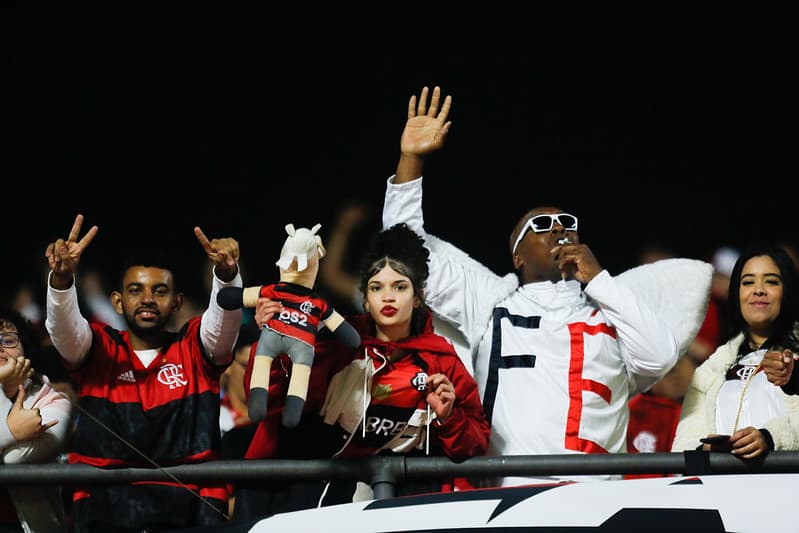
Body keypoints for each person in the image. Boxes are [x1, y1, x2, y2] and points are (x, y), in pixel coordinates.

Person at [379, 86, 714, 487]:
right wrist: (411, 159)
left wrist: (598, 280)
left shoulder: (608, 308)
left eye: (567, 223)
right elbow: (405, 250)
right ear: (518, 257)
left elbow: (659, 357)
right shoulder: (491, 301)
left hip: (594, 499)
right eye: (540, 225)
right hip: (508, 495)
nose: (558, 228)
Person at [233, 223, 490, 521]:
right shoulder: (336, 347)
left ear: (418, 297)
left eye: (400, 287)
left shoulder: (441, 359)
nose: (388, 297)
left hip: (405, 504)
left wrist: (449, 417)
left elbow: (475, 444)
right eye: (376, 287)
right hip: (319, 498)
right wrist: (275, 345)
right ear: (365, 299)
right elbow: (275, 403)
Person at [44, 214, 244, 532]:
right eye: (135, 290)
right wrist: (63, 281)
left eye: (160, 291)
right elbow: (63, 332)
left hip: (192, 506)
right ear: (118, 302)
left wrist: (226, 275)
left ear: (177, 302)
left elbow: (224, 326)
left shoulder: (196, 346)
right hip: (104, 505)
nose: (148, 298)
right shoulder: (99, 348)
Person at [672, 243, 799, 457]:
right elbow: (682, 447)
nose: (758, 290)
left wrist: (770, 438)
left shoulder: (792, 360)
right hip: (724, 488)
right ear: (736, 294)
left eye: (771, 281)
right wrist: (707, 449)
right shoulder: (710, 371)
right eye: (748, 282)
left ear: (787, 290)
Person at [0, 305, 73, 533]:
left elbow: (13, 460)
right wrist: (12, 431)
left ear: (26, 349)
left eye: (8, 340)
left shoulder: (56, 401)